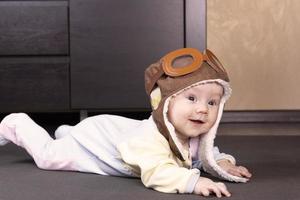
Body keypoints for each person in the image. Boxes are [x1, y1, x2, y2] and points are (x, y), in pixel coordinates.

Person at [0, 48, 251, 197]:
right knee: (48, 157)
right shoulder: (149, 139)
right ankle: (15, 123)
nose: (202, 109)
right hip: (94, 145)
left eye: (212, 103)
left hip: (111, 130)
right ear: (165, 103)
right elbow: (156, 172)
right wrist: (194, 182)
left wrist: (223, 163)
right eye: (192, 98)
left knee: (75, 134)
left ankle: (67, 132)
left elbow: (204, 154)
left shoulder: (194, 135)